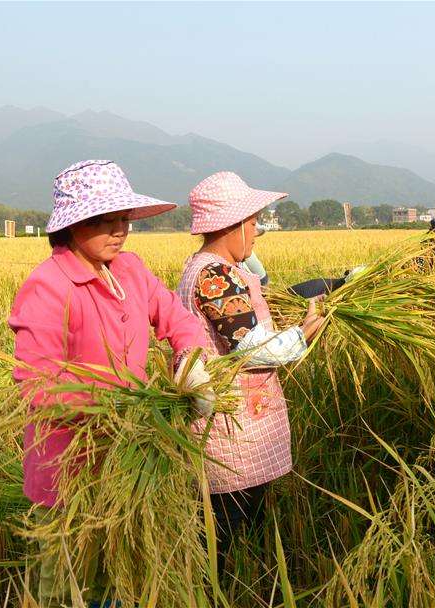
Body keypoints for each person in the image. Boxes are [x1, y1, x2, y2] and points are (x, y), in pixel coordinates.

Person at [9, 160, 212, 607]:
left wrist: (191, 360)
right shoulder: (48, 286)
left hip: (130, 462)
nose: (119, 230)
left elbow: (175, 317)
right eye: (105, 220)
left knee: (122, 583)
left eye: (123, 219)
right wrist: (117, 402)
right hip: (69, 471)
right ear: (73, 225)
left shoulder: (130, 270)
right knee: (65, 589)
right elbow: (36, 384)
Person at [177, 171, 326, 574]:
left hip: (243, 418)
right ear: (232, 225)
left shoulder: (219, 268)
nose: (257, 230)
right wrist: (303, 334)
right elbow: (252, 348)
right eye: (254, 221)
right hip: (229, 424)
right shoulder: (214, 276)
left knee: (243, 523)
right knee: (222, 531)